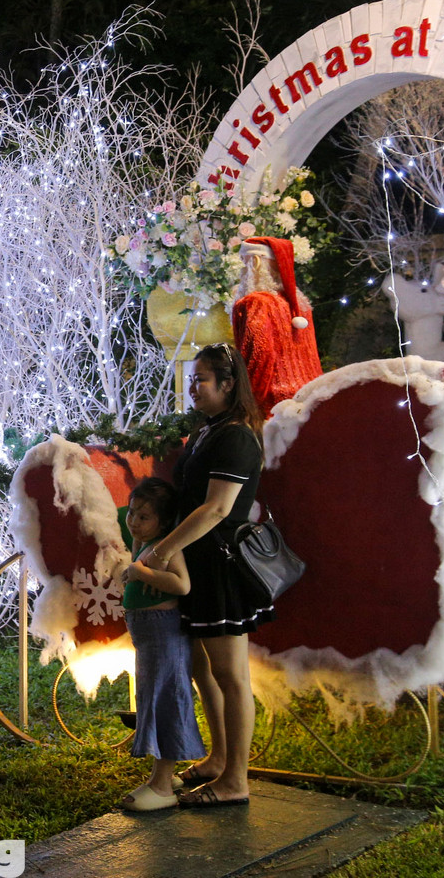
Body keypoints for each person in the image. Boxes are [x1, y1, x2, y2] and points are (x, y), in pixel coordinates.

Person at [141, 342, 270, 808]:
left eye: (202, 380)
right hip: (196, 565)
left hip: (218, 566)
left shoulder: (235, 437)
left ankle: (236, 780)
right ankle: (217, 760)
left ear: (228, 385)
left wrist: (162, 550)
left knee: (231, 675)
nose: (193, 387)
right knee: (202, 669)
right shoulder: (209, 430)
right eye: (192, 379)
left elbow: (217, 509)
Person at [118, 477, 204, 812]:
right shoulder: (143, 544)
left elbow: (181, 585)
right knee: (153, 697)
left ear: (164, 522)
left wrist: (141, 573)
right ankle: (163, 778)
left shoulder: (166, 547)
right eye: (132, 513)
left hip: (163, 632)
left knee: (165, 697)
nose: (134, 522)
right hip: (148, 635)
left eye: (144, 517)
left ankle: (162, 783)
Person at [232, 236, 322, 419]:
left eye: (244, 263)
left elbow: (257, 358)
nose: (242, 271)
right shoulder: (301, 307)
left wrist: (242, 406)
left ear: (255, 262)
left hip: (274, 407)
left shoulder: (256, 302)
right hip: (310, 400)